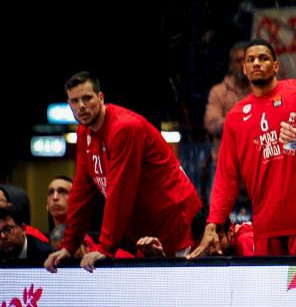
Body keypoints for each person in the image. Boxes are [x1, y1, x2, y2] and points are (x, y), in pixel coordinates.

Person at [46, 72, 202, 273]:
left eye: (87, 98)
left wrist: (106, 247)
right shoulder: (83, 132)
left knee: (183, 289)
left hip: (177, 223)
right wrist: (69, 246)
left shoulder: (124, 128)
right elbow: (81, 192)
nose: (81, 106)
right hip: (147, 232)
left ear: (100, 98)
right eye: (75, 101)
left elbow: (120, 191)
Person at [189, 39, 296, 259]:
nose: (256, 63)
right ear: (244, 69)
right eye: (251, 60)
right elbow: (226, 178)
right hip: (264, 225)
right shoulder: (235, 118)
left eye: (263, 58)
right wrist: (214, 222)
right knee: (269, 283)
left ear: (275, 66)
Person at [204, 41, 251, 167]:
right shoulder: (218, 91)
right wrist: (242, 121)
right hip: (225, 164)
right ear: (231, 65)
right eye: (238, 60)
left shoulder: (259, 91)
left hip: (253, 164)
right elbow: (211, 124)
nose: (242, 65)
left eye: (246, 60)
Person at [45, 176, 72, 247]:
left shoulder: (83, 242)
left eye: (62, 192)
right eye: (51, 192)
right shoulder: (39, 241)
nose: (55, 197)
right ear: (47, 205)